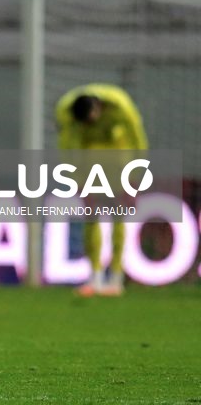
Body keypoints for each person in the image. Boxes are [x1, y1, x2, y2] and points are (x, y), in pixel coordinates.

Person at [55, 83, 149, 297]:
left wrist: (136, 178)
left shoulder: (120, 105)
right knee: (91, 216)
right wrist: (76, 181)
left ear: (99, 108)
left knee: (119, 216)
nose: (89, 125)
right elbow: (66, 147)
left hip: (119, 158)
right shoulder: (65, 111)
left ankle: (116, 277)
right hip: (89, 160)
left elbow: (138, 140)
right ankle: (95, 276)